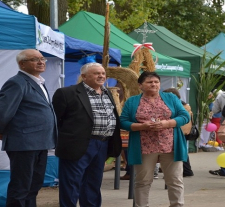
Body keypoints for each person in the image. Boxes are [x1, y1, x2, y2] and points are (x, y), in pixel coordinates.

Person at [52, 62, 122, 206]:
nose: (101, 76)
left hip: (102, 143)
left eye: (103, 73)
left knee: (93, 183)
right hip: (78, 144)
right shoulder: (67, 93)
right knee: (71, 184)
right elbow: (55, 120)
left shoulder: (107, 92)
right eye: (97, 73)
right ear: (84, 76)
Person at [120, 71, 190, 207]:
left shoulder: (170, 98)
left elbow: (184, 116)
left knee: (175, 180)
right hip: (144, 146)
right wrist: (142, 126)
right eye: (149, 82)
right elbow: (123, 121)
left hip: (170, 145)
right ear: (140, 85)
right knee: (142, 181)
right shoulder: (132, 101)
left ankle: (177, 205)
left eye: (156, 82)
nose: (154, 84)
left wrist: (167, 123)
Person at [0, 49, 57, 206]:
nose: (41, 62)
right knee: (21, 187)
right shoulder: (16, 82)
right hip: (23, 143)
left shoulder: (38, 82)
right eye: (34, 59)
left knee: (33, 187)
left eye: (42, 58)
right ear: (22, 64)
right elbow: (3, 110)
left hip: (41, 143)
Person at [163, 88, 194, 177]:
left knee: (178, 152)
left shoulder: (176, 106)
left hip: (178, 131)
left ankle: (185, 171)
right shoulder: (186, 106)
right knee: (182, 151)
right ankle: (187, 170)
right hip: (185, 131)